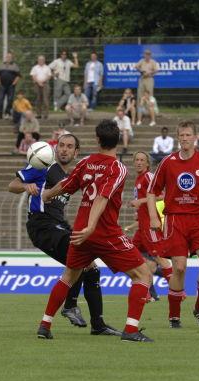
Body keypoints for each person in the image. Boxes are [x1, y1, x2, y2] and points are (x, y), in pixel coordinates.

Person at [38, 120, 154, 342]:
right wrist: (92, 226)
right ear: (117, 140)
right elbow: (102, 197)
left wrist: (47, 194)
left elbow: (67, 184)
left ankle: (45, 324)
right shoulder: (117, 167)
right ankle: (131, 330)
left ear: (98, 139)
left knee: (68, 277)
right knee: (143, 274)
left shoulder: (86, 162)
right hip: (103, 232)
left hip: (80, 232)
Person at [8, 133, 119, 335]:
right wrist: (25, 186)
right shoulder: (45, 164)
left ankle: (98, 325)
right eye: (61, 146)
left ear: (76, 152)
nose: (64, 150)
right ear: (55, 148)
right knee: (79, 260)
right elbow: (12, 185)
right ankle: (70, 305)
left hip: (59, 225)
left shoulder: (75, 174)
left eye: (69, 147)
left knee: (92, 268)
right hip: (42, 225)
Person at [147, 121, 199, 329]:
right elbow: (151, 192)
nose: (185, 138)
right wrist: (153, 217)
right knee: (180, 268)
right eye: (181, 135)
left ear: (195, 137)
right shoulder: (168, 162)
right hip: (176, 220)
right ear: (178, 138)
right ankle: (174, 316)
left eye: (188, 135)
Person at [129, 151, 173, 301]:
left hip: (149, 225)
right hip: (141, 227)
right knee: (132, 257)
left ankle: (176, 290)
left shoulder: (149, 176)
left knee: (160, 258)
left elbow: (162, 195)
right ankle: (146, 292)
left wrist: (140, 202)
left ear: (147, 163)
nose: (139, 162)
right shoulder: (138, 179)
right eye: (137, 159)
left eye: (142, 160)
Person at [0, 52, 21, 120]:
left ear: (12, 58)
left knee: (10, 100)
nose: (8, 58)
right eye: (7, 57)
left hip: (11, 86)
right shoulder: (1, 65)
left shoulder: (15, 66)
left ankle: (7, 113)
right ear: (5, 58)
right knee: (0, 100)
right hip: (2, 85)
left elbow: (18, 76)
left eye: (10, 57)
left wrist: (14, 83)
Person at [30, 55, 52, 120]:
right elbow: (33, 76)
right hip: (37, 84)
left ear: (44, 60)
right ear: (38, 60)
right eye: (40, 59)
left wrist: (43, 81)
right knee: (38, 100)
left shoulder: (47, 68)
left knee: (45, 100)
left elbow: (49, 76)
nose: (41, 61)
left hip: (45, 84)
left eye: (42, 59)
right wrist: (38, 82)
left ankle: (46, 115)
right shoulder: (35, 67)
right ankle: (38, 114)